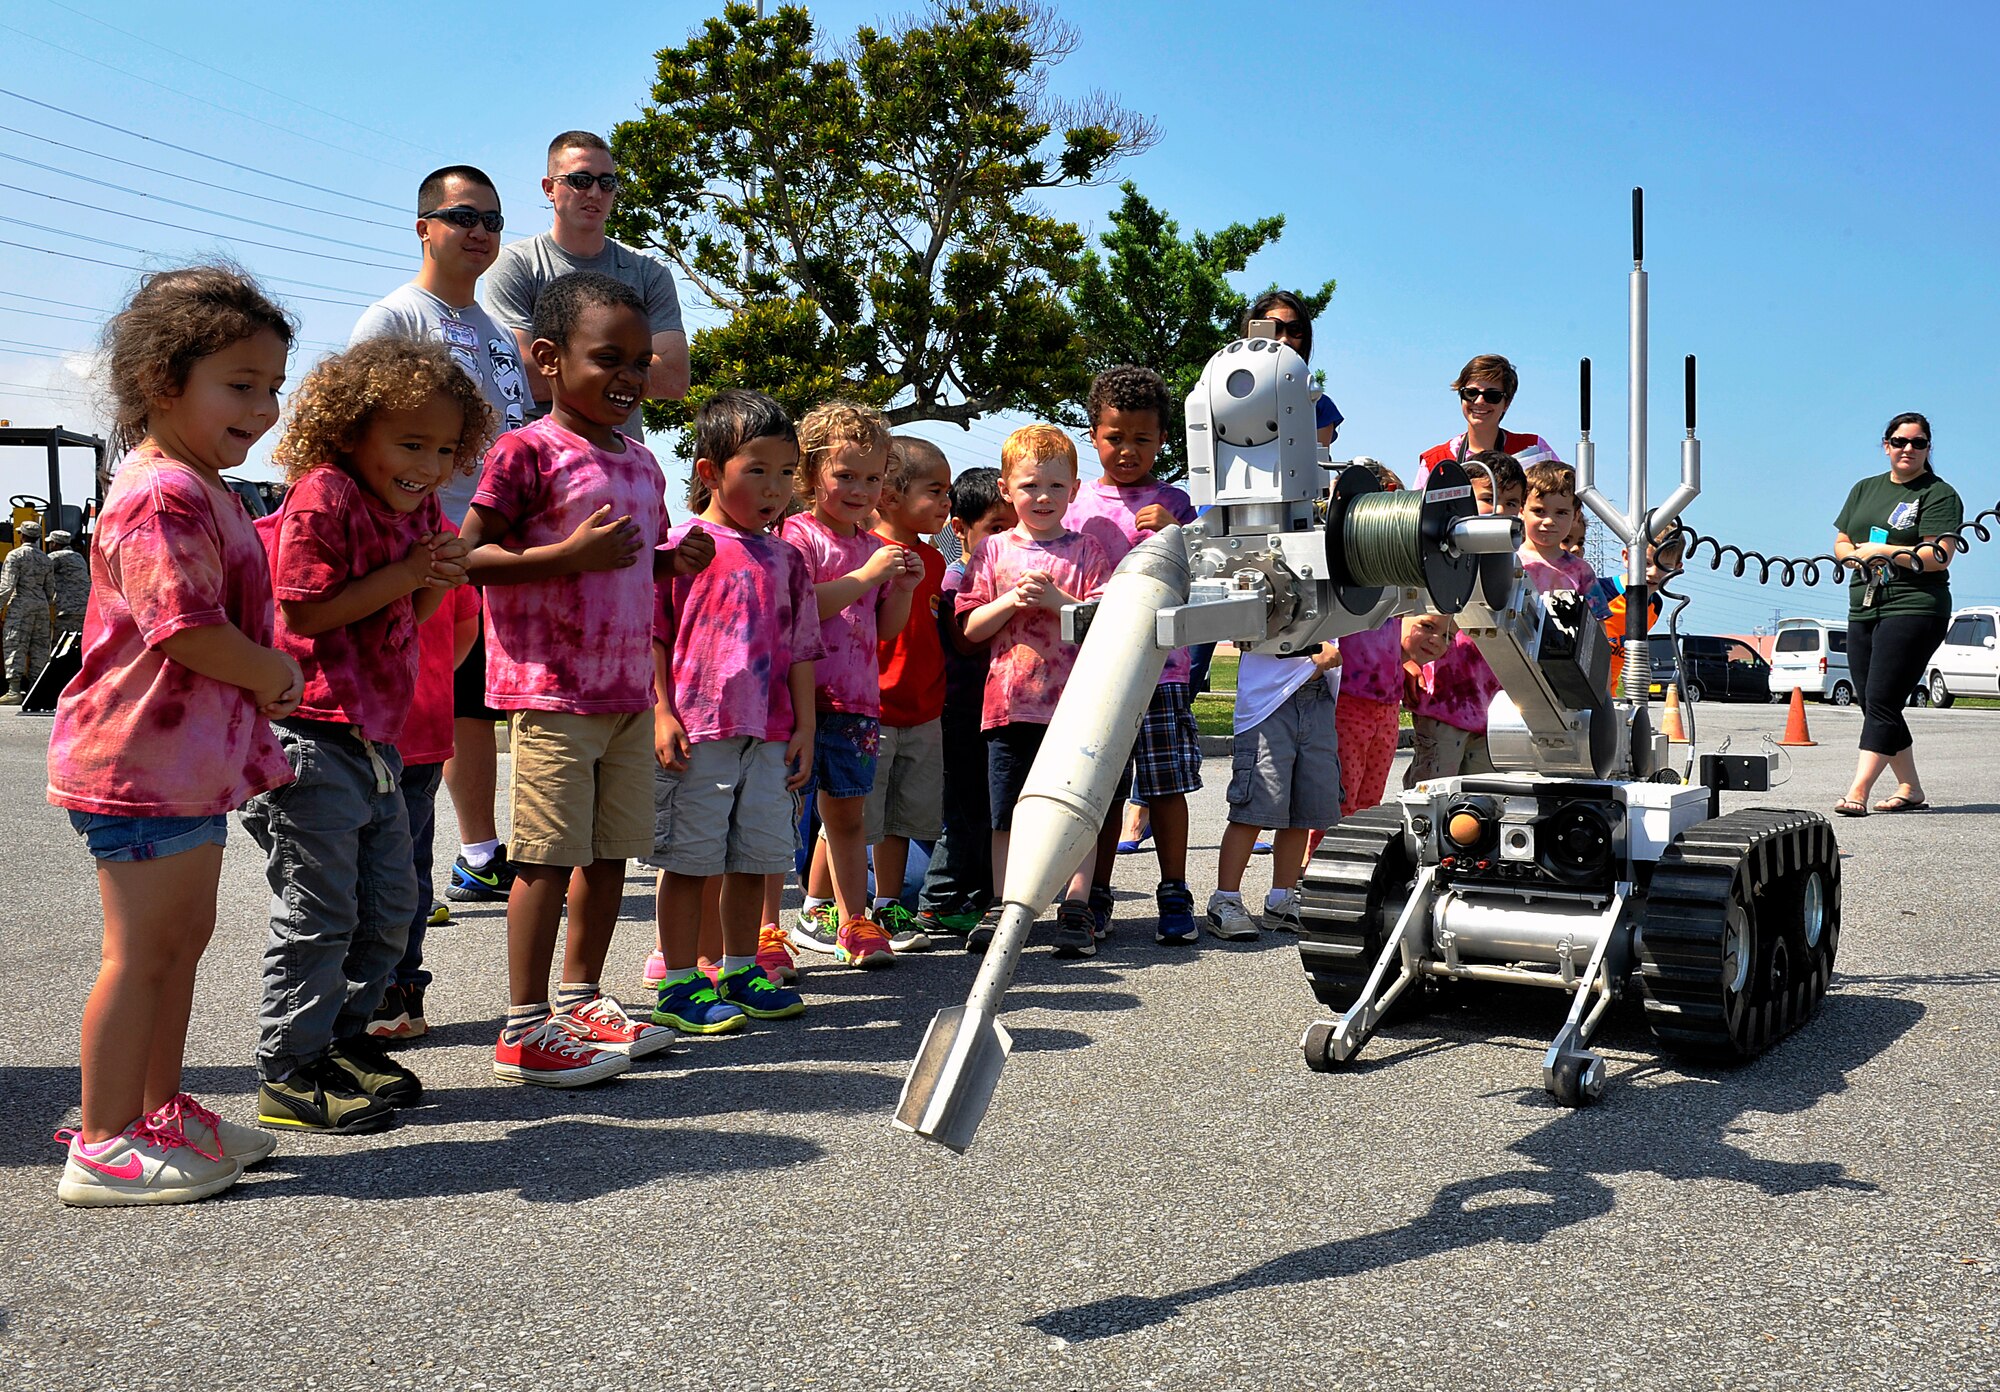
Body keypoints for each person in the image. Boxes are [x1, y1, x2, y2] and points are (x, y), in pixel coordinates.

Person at [47, 266, 302, 1205]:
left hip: (178, 767)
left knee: (180, 942)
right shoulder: (162, 493)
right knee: (144, 951)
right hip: (139, 764)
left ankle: (156, 1110)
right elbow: (183, 625)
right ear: (164, 380)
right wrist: (273, 671)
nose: (264, 407)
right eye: (240, 384)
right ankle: (104, 1141)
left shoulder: (202, 484)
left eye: (273, 385)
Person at [461, 271, 711, 1086]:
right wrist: (562, 557)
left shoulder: (643, 462)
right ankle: (524, 1026)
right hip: (551, 691)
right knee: (543, 857)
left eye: (640, 361)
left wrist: (678, 559)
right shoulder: (526, 451)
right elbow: (471, 556)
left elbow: (642, 559)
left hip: (624, 694)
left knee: (609, 857)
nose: (629, 376)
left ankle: (583, 1000)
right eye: (608, 358)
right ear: (547, 359)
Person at [240, 337, 486, 1133]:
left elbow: (396, 621)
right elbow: (303, 611)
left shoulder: (407, 506)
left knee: (391, 907)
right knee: (321, 912)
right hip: (311, 732)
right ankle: (290, 1065)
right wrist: (411, 573)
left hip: (377, 737)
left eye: (446, 448)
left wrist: (429, 579)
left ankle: (343, 1043)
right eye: (410, 443)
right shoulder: (326, 494)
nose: (430, 463)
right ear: (350, 431)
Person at [350, 164, 532, 907]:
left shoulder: (494, 331)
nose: (480, 232)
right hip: (417, 552)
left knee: (470, 713)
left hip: (484, 552)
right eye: (462, 217)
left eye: (491, 219)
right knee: (414, 715)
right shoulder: (395, 317)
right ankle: (394, 883)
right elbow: (355, 434)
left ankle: (472, 858)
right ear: (424, 227)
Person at [647, 390, 817, 1033]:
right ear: (710, 470)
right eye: (758, 470)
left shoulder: (788, 557)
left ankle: (742, 966)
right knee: (691, 860)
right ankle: (681, 979)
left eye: (784, 473)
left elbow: (802, 649)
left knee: (758, 857)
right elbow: (655, 636)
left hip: (770, 735)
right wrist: (662, 713)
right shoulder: (683, 545)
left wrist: (804, 725)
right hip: (699, 729)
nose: (774, 488)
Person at [957, 425, 1113, 957]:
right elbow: (970, 627)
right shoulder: (993, 551)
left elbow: (1102, 622)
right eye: (1028, 486)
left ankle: (1076, 907)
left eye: (1054, 486)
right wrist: (1009, 604)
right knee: (1008, 812)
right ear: (1006, 489)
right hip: (1008, 704)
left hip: (1076, 707)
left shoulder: (1087, 551)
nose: (1041, 497)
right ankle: (1005, 902)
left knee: (1077, 810)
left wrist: (1054, 599)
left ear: (1074, 488)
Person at [781, 402, 920, 968]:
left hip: (857, 700)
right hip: (795, 699)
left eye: (872, 477)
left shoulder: (871, 546)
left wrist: (903, 588)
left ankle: (854, 922)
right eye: (845, 475)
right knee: (782, 821)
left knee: (848, 818)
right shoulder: (799, 534)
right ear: (811, 473)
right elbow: (801, 607)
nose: (860, 488)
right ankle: (767, 930)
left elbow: (884, 628)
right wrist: (866, 576)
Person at [1068, 366, 1201, 943]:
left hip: (1163, 670)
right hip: (1095, 671)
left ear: (1162, 440)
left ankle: (1174, 891)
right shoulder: (1073, 503)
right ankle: (1094, 893)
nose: (1126, 450)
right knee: (1101, 787)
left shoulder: (1178, 503)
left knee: (1166, 785)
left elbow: (1206, 575)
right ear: (1093, 435)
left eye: (1141, 439)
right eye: (1114, 437)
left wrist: (1176, 532)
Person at [483, 130, 688, 432]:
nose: (595, 193)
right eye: (580, 180)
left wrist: (568, 368)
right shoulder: (518, 264)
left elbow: (673, 376)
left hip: (622, 466)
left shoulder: (648, 270)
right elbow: (520, 377)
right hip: (540, 465)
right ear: (549, 188)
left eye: (607, 183)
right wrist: (632, 370)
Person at [367, 535, 482, 1043]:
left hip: (382, 728)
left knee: (367, 872)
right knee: (407, 869)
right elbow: (464, 631)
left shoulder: (371, 538)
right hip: (420, 722)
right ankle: (401, 989)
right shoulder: (442, 543)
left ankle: (382, 991)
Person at [1832, 413, 1961, 817]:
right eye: (1900, 441)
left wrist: (1882, 552)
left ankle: (1858, 790)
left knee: (1884, 698)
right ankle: (1910, 787)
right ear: (1886, 445)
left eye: (1918, 442)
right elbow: (1841, 539)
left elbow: (1937, 557)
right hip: (1865, 605)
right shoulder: (1864, 489)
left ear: (1927, 448)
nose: (1908, 448)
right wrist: (1852, 556)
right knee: (1870, 702)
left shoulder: (1938, 494)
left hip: (1916, 607)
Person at [913, 467, 1015, 941]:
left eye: (1014, 527)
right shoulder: (958, 576)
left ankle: (972, 895)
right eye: (997, 528)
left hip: (992, 708)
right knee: (965, 810)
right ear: (960, 528)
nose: (1008, 537)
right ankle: (938, 903)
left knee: (985, 807)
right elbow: (966, 640)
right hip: (959, 708)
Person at [861, 437, 953, 949]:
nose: (946, 503)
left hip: (922, 708)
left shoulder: (933, 562)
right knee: (850, 821)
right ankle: (822, 908)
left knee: (901, 818)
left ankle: (887, 905)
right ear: (891, 496)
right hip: (870, 707)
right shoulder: (865, 555)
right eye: (934, 491)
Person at [1206, 637, 1342, 939]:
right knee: (1255, 804)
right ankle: (1225, 899)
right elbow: (1251, 630)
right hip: (1268, 701)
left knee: (1302, 808)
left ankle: (1282, 898)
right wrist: (1313, 648)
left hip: (1319, 695)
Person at [1404, 451, 1524, 787]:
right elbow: (1409, 615)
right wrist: (1407, 662)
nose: (1501, 510)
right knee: (1434, 792)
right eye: (1489, 498)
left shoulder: (1514, 566)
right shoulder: (1438, 559)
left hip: (1493, 708)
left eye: (1512, 502)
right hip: (1443, 701)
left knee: (1483, 798)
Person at [1417, 354, 1560, 482]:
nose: (1479, 401)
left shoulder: (1535, 448)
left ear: (1507, 403)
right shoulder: (1434, 462)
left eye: (1492, 396)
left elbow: (1565, 499)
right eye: (1471, 393)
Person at [1586, 533, 1685, 695]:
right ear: (1626, 557)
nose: (1653, 572)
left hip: (1608, 696)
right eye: (1646, 563)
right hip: (1579, 689)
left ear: (1677, 568)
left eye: (1664, 566)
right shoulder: (1599, 592)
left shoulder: (1655, 606)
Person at [1246, 290, 1344, 445]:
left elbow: (1316, 465)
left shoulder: (1318, 406)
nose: (1284, 339)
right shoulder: (1219, 392)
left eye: (1295, 329)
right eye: (1275, 328)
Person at [1517, 462, 1597, 595]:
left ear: (1575, 516)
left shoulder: (1582, 572)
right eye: (1539, 511)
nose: (1549, 521)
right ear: (1521, 510)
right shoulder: (1509, 561)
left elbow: (1593, 615)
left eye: (1561, 513)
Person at [0, 519, 54, 704]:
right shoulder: (46, 559)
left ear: (21, 535)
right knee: (39, 648)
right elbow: (50, 591)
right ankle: (36, 691)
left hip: (21, 606)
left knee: (15, 644)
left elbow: (7, 587)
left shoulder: (15, 556)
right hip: (41, 608)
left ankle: (14, 691)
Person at [48, 529, 89, 642]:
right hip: (84, 609)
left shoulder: (55, 556)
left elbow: (39, 573)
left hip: (67, 612)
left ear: (55, 544)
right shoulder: (79, 557)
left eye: (50, 543)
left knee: (60, 647)